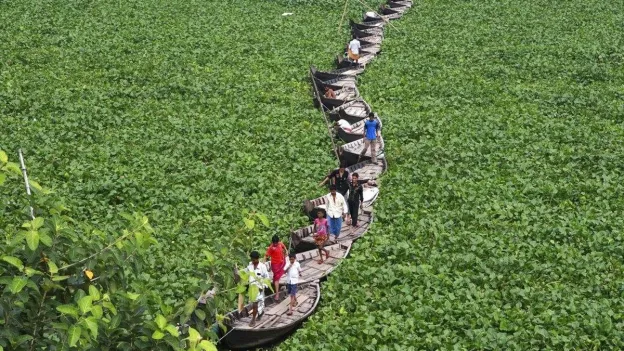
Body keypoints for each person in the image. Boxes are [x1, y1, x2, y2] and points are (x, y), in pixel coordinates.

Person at [246, 251, 269, 326]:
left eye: (254, 260)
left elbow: (267, 277)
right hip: (251, 288)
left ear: (257, 259)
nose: (253, 261)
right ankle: (260, 313)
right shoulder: (249, 266)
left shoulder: (262, 267)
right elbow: (246, 274)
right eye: (252, 260)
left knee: (256, 303)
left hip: (259, 288)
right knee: (253, 304)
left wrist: (264, 286)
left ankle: (253, 319)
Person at [265, 235, 288, 301]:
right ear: (272, 242)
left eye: (276, 243)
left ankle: (277, 289)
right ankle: (277, 294)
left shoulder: (280, 244)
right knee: (276, 278)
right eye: (274, 243)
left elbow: (284, 247)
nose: (275, 244)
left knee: (277, 277)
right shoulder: (271, 248)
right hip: (275, 265)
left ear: (278, 241)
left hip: (282, 262)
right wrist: (263, 262)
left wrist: (286, 251)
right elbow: (266, 255)